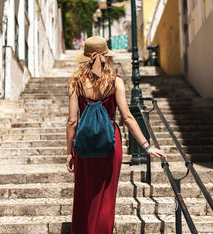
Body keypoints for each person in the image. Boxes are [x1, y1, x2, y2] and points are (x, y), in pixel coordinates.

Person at [66, 36, 166, 234]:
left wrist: (69, 152)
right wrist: (147, 146)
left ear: (85, 58)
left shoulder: (75, 82)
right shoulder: (115, 82)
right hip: (110, 143)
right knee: (106, 197)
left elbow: (72, 121)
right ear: (106, 56)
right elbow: (127, 117)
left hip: (84, 147)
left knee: (84, 196)